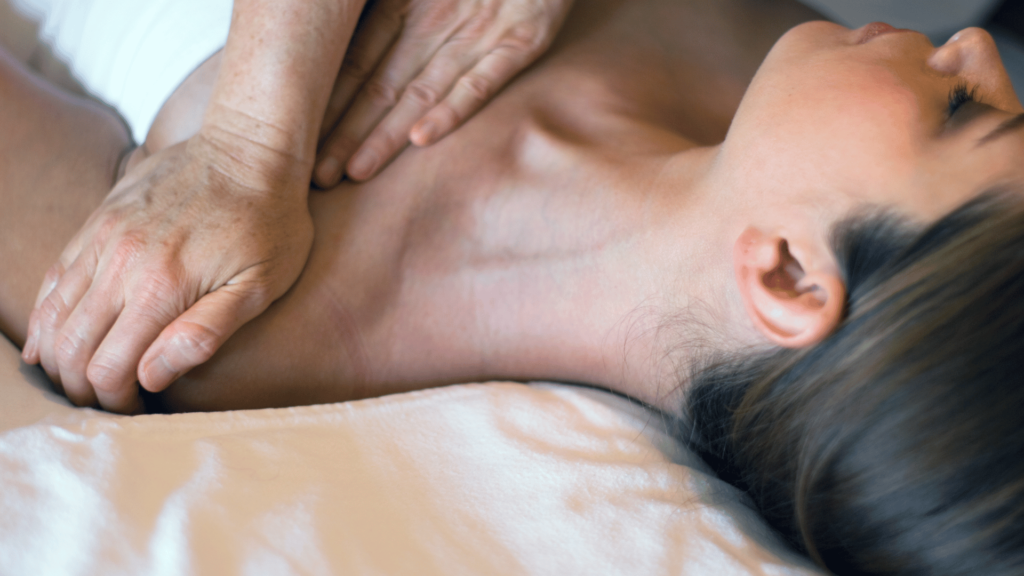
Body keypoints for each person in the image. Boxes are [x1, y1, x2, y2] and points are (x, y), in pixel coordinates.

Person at [1, 0, 1023, 573]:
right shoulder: (761, 55)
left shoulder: (254, 331)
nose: (982, 52)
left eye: (964, 116)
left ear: (791, 275)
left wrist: (246, 143)